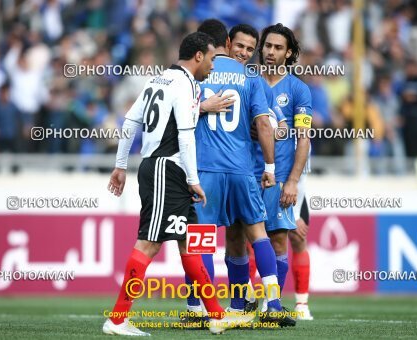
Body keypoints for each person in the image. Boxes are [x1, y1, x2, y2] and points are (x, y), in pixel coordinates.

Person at [103, 31, 252, 337]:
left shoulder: (158, 79)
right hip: (165, 169)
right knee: (149, 243)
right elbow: (184, 134)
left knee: (191, 243)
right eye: (211, 58)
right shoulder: (185, 85)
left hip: (164, 169)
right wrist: (194, 181)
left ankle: (215, 314)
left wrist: (120, 165)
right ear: (198, 56)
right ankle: (117, 319)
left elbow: (130, 121)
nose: (213, 65)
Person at [183, 19, 296, 328]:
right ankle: (272, 303)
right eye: (241, 46)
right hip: (242, 169)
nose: (246, 53)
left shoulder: (196, 74)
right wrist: (271, 168)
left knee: (201, 240)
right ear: (228, 44)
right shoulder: (252, 78)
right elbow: (267, 125)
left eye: (251, 48)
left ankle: (198, 309)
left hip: (205, 168)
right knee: (257, 234)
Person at [255, 23, 314, 320]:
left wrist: (292, 181)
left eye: (278, 48)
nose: (271, 52)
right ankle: (241, 303)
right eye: (267, 46)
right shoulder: (248, 81)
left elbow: (303, 138)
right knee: (241, 239)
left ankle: (273, 305)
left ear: (288, 53)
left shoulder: (298, 89)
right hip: (247, 173)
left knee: (280, 239)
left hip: (279, 179)